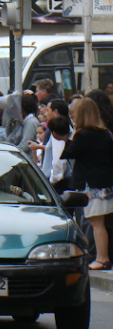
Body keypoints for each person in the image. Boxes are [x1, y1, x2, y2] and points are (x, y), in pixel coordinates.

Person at [60, 97, 113, 270]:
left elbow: (67, 153)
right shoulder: (105, 133)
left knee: (96, 223)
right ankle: (103, 256)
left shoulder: (82, 135)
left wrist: (71, 137)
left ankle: (102, 258)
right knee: (102, 223)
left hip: (92, 185)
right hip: (105, 184)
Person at [46, 116, 73, 194]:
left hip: (63, 182)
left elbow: (58, 161)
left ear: (54, 133)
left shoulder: (60, 142)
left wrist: (53, 180)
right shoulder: (72, 137)